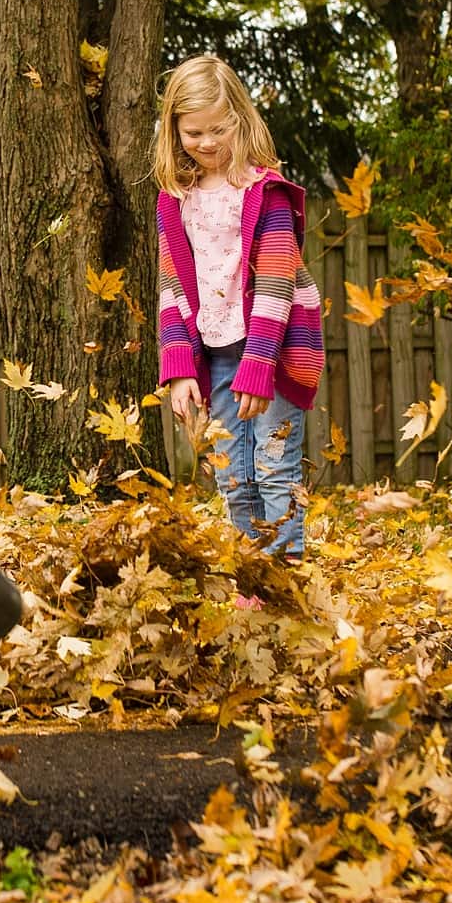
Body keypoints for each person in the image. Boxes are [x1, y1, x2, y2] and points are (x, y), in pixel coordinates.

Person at [152, 55, 325, 563]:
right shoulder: (175, 200)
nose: (206, 143)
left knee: (275, 468)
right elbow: (171, 286)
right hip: (215, 352)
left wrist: (260, 366)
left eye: (218, 129)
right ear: (175, 131)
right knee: (232, 473)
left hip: (270, 353)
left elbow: (276, 286)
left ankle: (284, 579)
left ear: (241, 121)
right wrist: (179, 368)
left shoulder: (265, 194)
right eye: (193, 133)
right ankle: (252, 581)